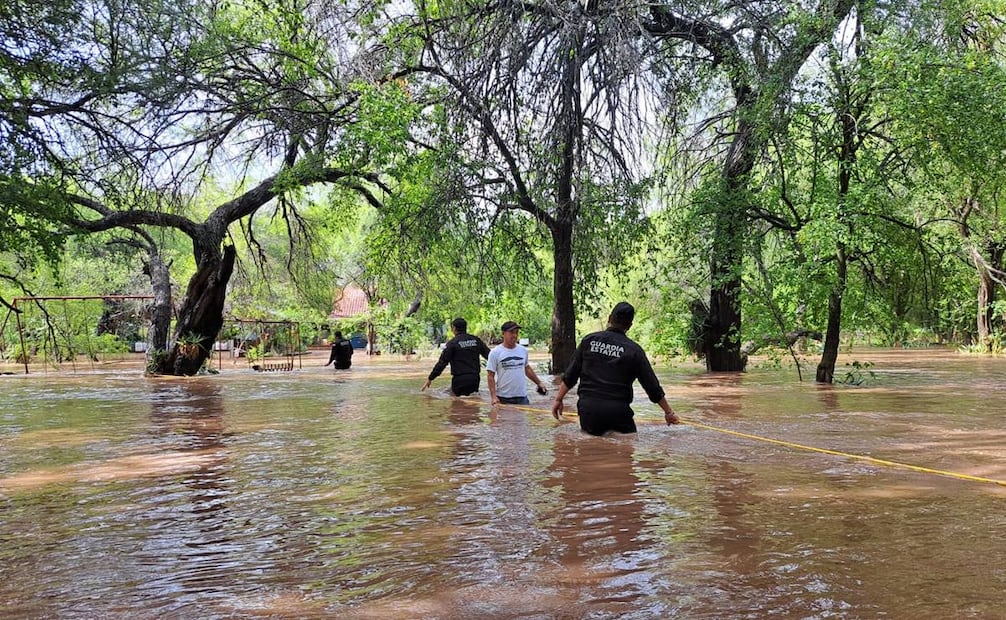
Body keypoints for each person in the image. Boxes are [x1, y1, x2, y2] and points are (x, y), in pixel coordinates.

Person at [551, 301, 679, 434]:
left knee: (589, 447)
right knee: (626, 446)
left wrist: (558, 399)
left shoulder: (588, 341)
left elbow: (570, 376)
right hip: (618, 411)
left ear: (609, 318)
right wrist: (669, 412)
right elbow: (652, 387)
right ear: (629, 326)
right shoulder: (634, 350)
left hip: (588, 409)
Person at [421, 317, 491, 396]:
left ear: (454, 328)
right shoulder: (476, 340)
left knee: (457, 403)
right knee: (473, 400)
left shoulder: (452, 343)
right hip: (474, 379)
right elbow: (490, 356)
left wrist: (431, 378)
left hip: (459, 379)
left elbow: (442, 363)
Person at [486, 321, 548, 405]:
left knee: (522, 418)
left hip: (522, 397)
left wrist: (539, 383)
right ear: (503, 333)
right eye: (511, 332)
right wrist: (493, 397)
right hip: (503, 397)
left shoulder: (523, 350)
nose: (514, 335)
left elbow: (527, 368)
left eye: (516, 332)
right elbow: (490, 376)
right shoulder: (495, 352)